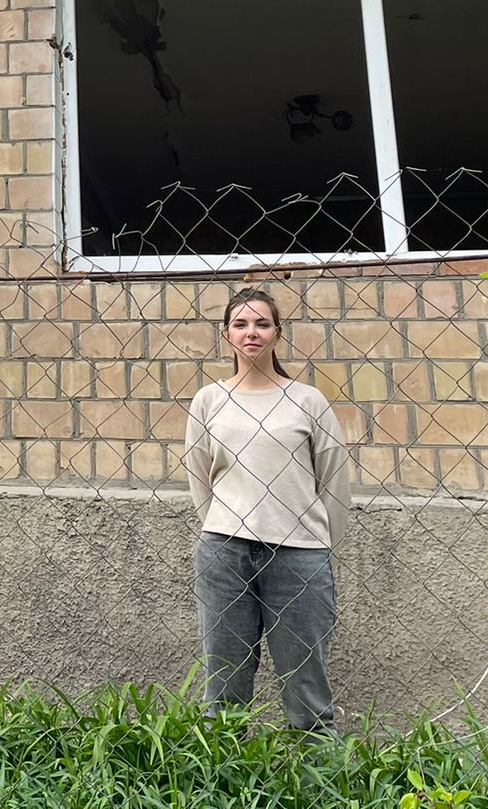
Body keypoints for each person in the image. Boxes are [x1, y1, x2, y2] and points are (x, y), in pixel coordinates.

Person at [183, 286, 350, 731]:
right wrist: (223, 523)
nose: (251, 332)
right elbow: (200, 475)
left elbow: (334, 478)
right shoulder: (209, 401)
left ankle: (320, 784)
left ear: (278, 333)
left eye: (262, 323)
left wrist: (318, 540)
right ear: (226, 334)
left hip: (299, 555)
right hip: (224, 553)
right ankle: (222, 777)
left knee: (306, 688)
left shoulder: (307, 400)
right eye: (240, 324)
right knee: (224, 683)